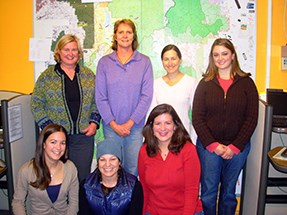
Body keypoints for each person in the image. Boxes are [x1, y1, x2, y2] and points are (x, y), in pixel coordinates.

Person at [192, 38, 259, 215]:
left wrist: (235, 146)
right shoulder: (205, 83)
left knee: (229, 194)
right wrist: (214, 146)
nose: (220, 58)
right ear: (212, 58)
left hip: (238, 148)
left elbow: (251, 118)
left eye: (224, 53)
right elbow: (197, 118)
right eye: (216, 55)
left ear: (233, 55)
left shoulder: (246, 83)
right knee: (208, 193)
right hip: (209, 148)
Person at [31, 34, 101, 181]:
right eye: (66, 49)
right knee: (58, 179)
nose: (70, 53)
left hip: (83, 138)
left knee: (82, 179)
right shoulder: (47, 77)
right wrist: (49, 129)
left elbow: (98, 101)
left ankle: (79, 205)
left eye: (74, 50)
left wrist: (94, 123)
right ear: (59, 52)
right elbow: (36, 103)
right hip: (56, 140)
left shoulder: (89, 75)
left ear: (79, 53)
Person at [95, 19, 153, 176]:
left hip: (135, 128)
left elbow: (146, 96)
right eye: (121, 32)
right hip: (110, 128)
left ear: (134, 36)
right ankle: (114, 200)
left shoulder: (144, 62)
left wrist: (129, 123)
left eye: (129, 32)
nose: (125, 36)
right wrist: (114, 125)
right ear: (115, 36)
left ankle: (130, 201)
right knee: (111, 170)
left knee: (132, 169)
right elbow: (100, 97)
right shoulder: (104, 63)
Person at [138, 104, 203, 215]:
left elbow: (191, 191)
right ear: (152, 127)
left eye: (167, 123)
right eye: (158, 124)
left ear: (175, 126)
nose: (163, 128)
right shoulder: (144, 151)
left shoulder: (188, 150)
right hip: (154, 211)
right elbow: (144, 188)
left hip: (185, 212)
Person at [12, 124, 78, 215]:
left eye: (62, 143)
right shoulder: (26, 171)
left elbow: (74, 203)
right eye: (53, 142)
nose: (58, 147)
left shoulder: (70, 168)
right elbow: (18, 202)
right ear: (43, 144)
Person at [79, 138, 143, 215]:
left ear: (119, 162)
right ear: (98, 162)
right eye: (102, 160)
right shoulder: (86, 186)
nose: (107, 164)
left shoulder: (134, 186)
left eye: (112, 159)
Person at [149, 44, 198, 143]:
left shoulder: (191, 82)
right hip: (161, 138)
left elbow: (197, 115)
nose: (170, 63)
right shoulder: (155, 84)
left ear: (180, 60)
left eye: (173, 58)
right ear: (162, 61)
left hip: (184, 137)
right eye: (166, 59)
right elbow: (151, 114)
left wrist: (192, 139)